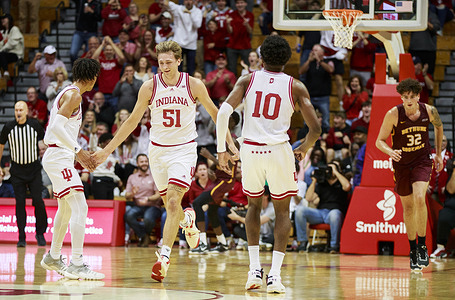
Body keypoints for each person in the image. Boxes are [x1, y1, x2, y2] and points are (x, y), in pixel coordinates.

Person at [92, 40, 238, 282]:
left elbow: (217, 114)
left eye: (169, 62)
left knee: (172, 202)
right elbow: (131, 122)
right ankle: (188, 222)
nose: (165, 67)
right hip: (157, 153)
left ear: (179, 61)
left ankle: (164, 259)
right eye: (161, 63)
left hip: (183, 151)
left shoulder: (193, 85)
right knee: (172, 207)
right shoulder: (149, 87)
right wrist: (107, 151)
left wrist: (230, 144)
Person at [216, 35, 321, 293]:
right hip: (278, 151)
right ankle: (274, 275)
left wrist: (221, 150)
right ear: (286, 60)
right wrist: (304, 147)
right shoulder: (295, 86)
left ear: (260, 57)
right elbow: (316, 129)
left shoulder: (246, 80)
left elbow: (222, 113)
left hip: (251, 150)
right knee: (282, 211)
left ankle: (254, 270)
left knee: (253, 205)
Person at [40, 58, 104, 280]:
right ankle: (77, 263)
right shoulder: (75, 95)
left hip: (59, 156)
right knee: (80, 206)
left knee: (66, 208)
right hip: (59, 156)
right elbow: (56, 126)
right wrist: (80, 151)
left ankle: (54, 256)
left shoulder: (67, 92)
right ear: (93, 77)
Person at [376, 78, 444, 272]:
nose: (408, 100)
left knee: (420, 198)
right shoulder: (393, 114)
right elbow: (379, 141)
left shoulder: (429, 111)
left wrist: (438, 153)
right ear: (401, 97)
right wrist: (390, 151)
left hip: (422, 160)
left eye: (412, 96)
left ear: (418, 96)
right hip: (402, 164)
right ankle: (413, 249)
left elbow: (439, 127)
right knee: (407, 208)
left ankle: (422, 246)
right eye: (405, 97)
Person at [0, 101, 48, 247]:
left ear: (26, 111)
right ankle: (21, 236)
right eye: (16, 110)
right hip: (17, 171)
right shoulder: (8, 127)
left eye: (21, 109)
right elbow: (1, 146)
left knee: (38, 201)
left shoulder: (34, 125)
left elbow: (45, 142)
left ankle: (40, 233)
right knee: (20, 203)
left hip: (33, 169)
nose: (18, 112)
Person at [295, 160, 350, 253]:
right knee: (300, 210)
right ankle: (303, 242)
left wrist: (336, 172)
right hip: (320, 213)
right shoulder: (322, 183)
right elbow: (308, 198)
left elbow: (347, 186)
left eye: (332, 168)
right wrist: (314, 181)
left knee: (334, 214)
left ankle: (334, 246)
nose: (329, 171)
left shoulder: (341, 182)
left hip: (335, 212)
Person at [124, 153, 162, 247]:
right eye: (142, 162)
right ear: (137, 163)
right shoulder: (132, 177)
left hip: (153, 206)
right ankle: (144, 236)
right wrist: (133, 193)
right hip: (137, 206)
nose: (144, 163)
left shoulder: (154, 176)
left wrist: (148, 199)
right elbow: (126, 196)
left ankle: (143, 237)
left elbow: (159, 195)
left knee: (148, 218)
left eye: (146, 161)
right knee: (128, 215)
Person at [164, 0, 202, 76]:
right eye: (186, 0)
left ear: (193, 2)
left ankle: (189, 86)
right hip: (179, 43)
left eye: (190, 0)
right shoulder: (178, 9)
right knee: (178, 68)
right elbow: (166, 2)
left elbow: (198, 25)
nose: (188, 2)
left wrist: (190, 14)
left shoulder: (198, 11)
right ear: (184, 1)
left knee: (191, 69)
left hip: (191, 44)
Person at [430, 158, 455, 258]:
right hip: (452, 207)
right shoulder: (452, 174)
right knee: (444, 215)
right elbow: (451, 190)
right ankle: (441, 248)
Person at [225, 0, 254, 77]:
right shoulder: (231, 15)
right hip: (232, 46)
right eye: (238, 3)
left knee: (247, 68)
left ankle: (246, 87)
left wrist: (247, 24)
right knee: (232, 68)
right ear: (235, 5)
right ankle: (234, 87)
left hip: (245, 46)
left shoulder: (250, 15)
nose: (240, 5)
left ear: (245, 4)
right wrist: (227, 24)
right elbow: (230, 31)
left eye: (241, 3)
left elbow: (250, 31)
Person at [70, 0, 101, 65]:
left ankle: (87, 72)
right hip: (79, 31)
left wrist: (92, 11)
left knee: (89, 55)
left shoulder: (97, 3)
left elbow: (99, 18)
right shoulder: (81, 1)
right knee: (72, 53)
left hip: (91, 32)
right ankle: (77, 70)